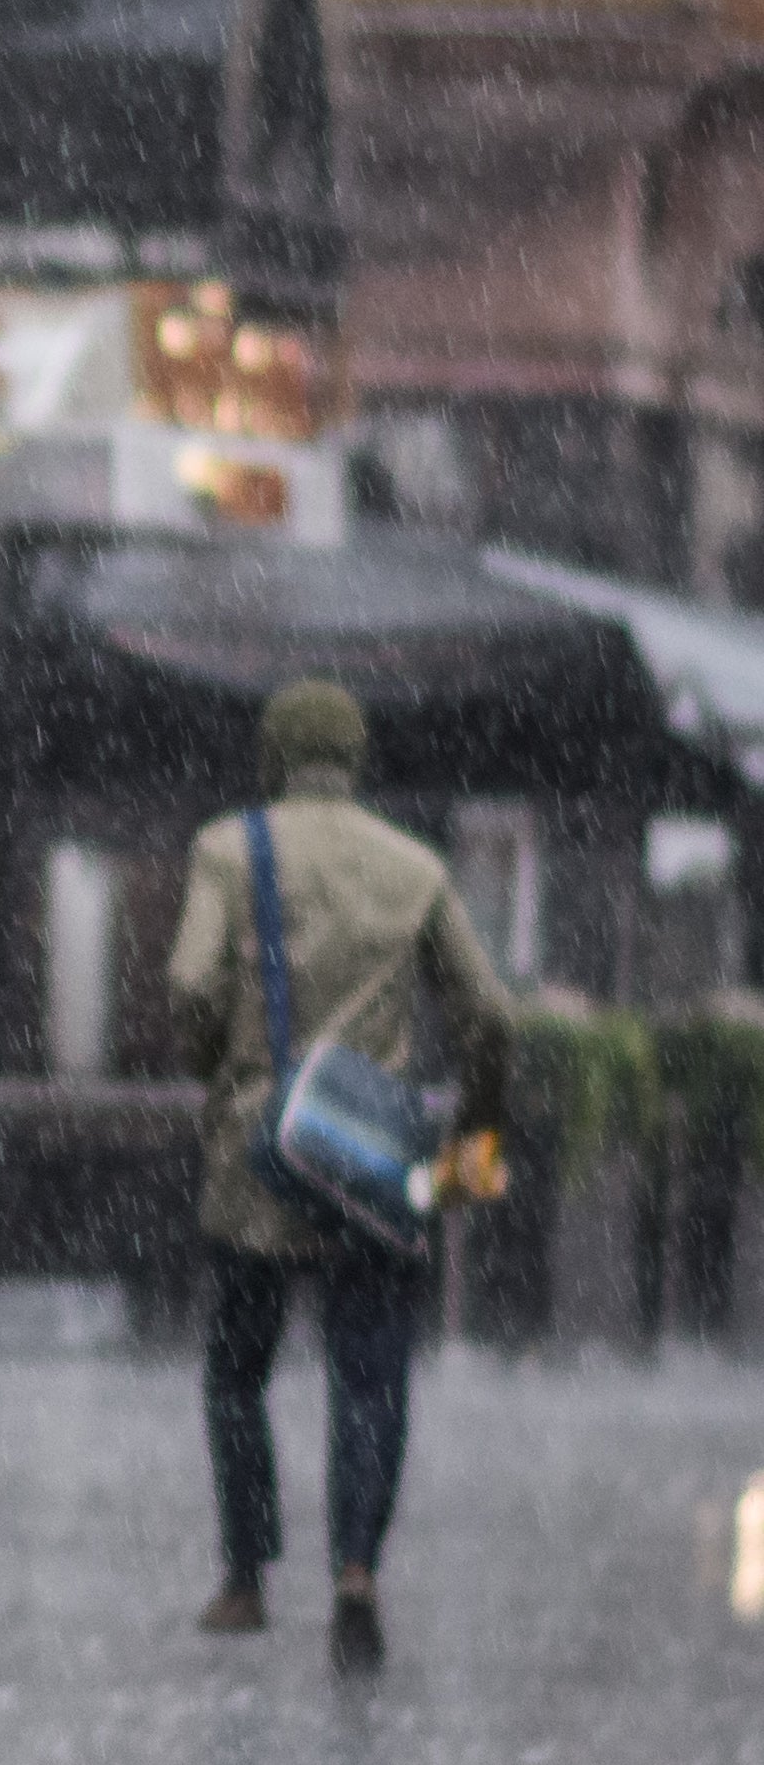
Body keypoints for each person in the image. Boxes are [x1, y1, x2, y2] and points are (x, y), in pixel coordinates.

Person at [165, 678, 514, 1671]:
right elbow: (489, 1013)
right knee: (369, 1378)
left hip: (259, 1154)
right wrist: (473, 1153)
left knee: (238, 1372)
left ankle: (244, 1577)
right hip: (370, 1166)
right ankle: (355, 1572)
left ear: (272, 757)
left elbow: (191, 983)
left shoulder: (228, 849)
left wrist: (221, 1076)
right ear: (355, 761)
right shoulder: (413, 866)